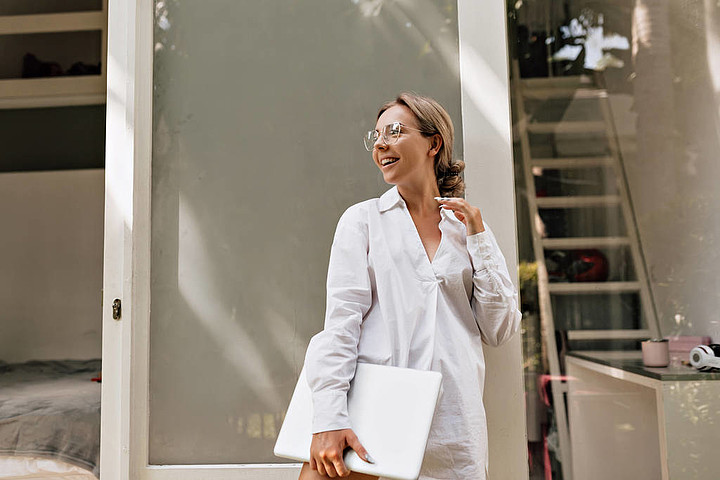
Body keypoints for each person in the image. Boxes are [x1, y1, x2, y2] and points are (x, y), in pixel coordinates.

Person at [298, 93, 522, 480]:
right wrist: (329, 415)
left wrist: (479, 238)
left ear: (434, 143)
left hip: (454, 418)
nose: (381, 144)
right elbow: (341, 325)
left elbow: (499, 329)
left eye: (396, 131)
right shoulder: (363, 221)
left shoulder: (467, 229)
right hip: (372, 409)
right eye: (377, 135)